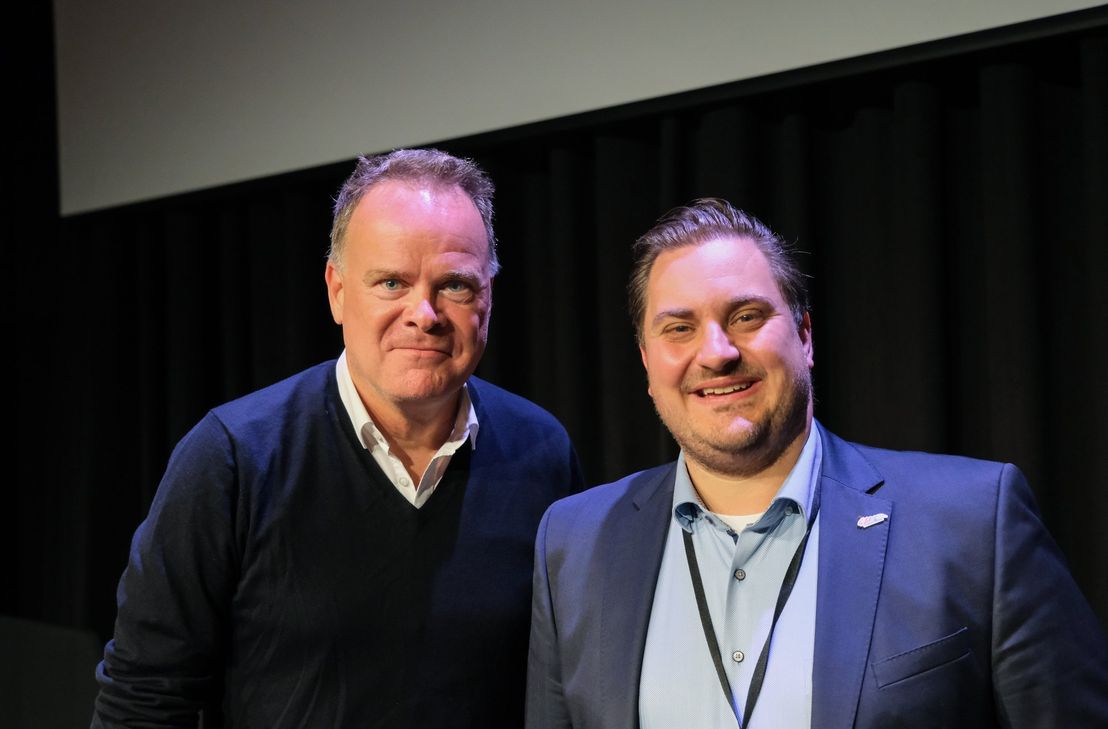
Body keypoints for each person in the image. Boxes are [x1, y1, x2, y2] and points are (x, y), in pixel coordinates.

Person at [525, 198, 1108, 728]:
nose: (717, 353)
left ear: (804, 335)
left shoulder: (975, 522)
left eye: (746, 317)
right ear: (647, 362)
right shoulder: (573, 544)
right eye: (680, 328)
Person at [92, 148, 584, 728]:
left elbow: (567, 685)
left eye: (454, 285)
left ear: (489, 299)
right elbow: (145, 698)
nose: (423, 313)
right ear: (337, 290)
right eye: (391, 282)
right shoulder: (232, 457)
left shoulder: (542, 453)